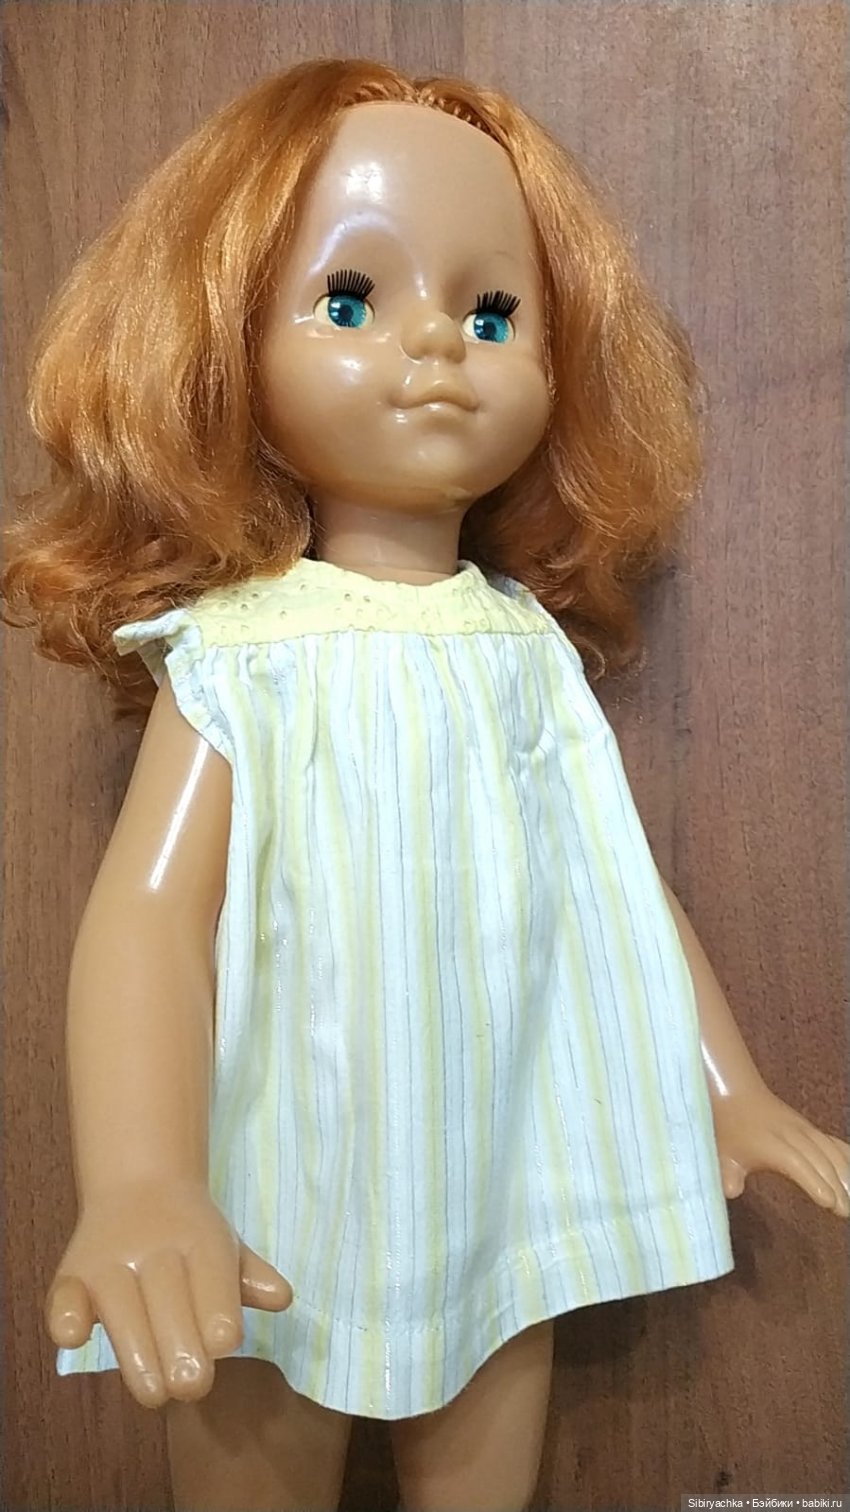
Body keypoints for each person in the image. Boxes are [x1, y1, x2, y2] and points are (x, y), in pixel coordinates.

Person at [3, 58, 847, 1512]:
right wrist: (142, 1180)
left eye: (493, 313)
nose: (440, 344)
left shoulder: (523, 649)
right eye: (349, 300)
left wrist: (730, 1086)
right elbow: (149, 918)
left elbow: (614, 884)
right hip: (271, 1191)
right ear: (225, 345)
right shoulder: (247, 652)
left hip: (492, 1173)